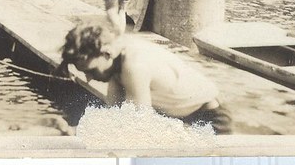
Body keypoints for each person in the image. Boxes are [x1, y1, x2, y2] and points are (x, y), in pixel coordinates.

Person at [60, 20, 232, 134]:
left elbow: (138, 126)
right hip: (183, 117)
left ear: (106, 53)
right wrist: (76, 132)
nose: (89, 79)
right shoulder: (116, 64)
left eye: (91, 71)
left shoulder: (134, 65)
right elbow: (114, 117)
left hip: (210, 119)